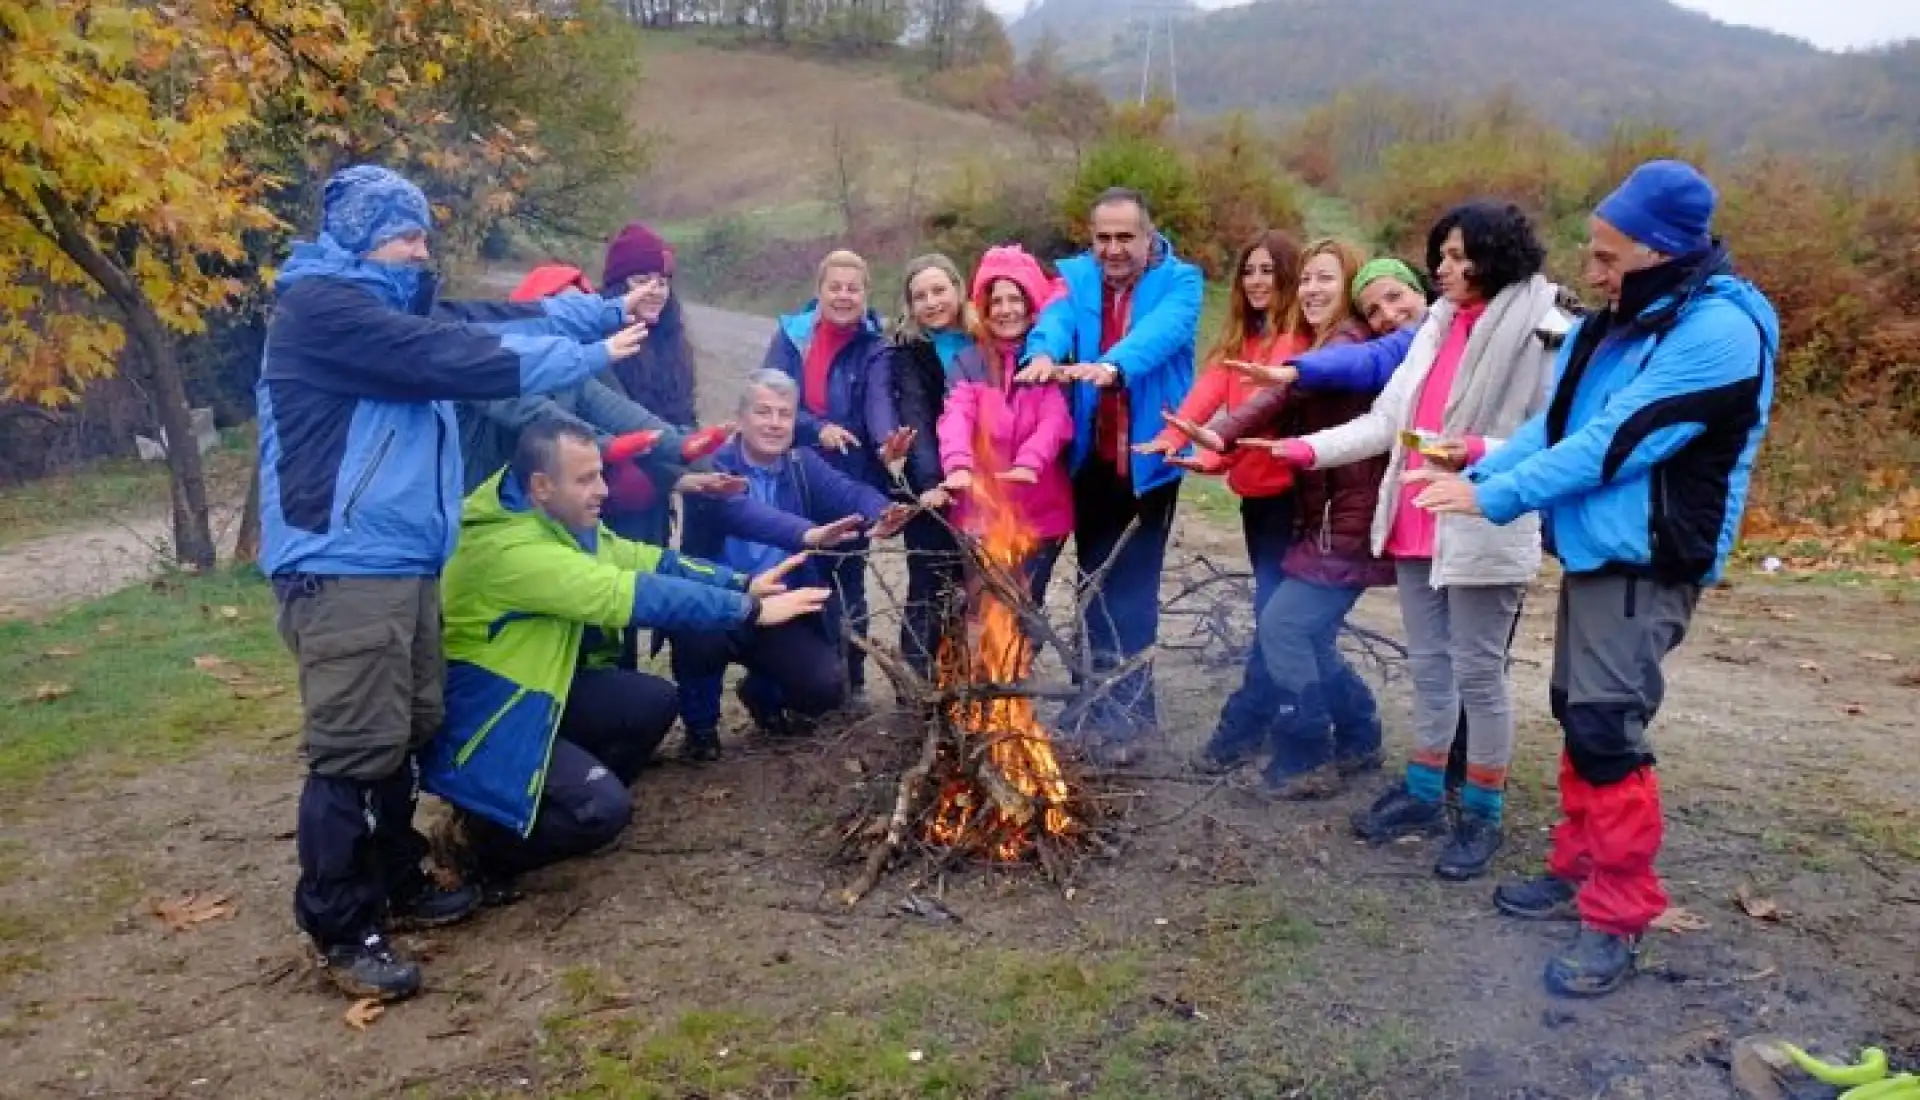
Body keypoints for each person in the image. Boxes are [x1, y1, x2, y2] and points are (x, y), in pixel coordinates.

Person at [257, 164, 651, 1001]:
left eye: (425, 234)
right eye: (407, 235)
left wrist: (608, 308)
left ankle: (394, 876)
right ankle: (340, 923)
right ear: (363, 239)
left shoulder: (387, 306)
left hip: (402, 562)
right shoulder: (324, 311)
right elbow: (454, 353)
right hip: (342, 562)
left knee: (409, 725)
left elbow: (496, 316)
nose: (422, 248)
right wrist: (587, 353)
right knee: (355, 747)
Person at [1410, 160, 1778, 996]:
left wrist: (1491, 496)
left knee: (1609, 732)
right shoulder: (1615, 321)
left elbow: (1617, 441)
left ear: (1663, 250)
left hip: (1651, 559)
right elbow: (1550, 426)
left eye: (1611, 257)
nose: (1595, 270)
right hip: (1595, 553)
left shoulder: (1719, 333)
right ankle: (1577, 868)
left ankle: (1617, 915)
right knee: (1577, 714)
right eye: (1594, 252)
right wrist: (1480, 472)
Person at [1248, 203, 1570, 880]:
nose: (1444, 270)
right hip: (1417, 517)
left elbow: (1561, 435)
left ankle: (1480, 812)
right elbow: (1387, 421)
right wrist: (1298, 451)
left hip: (1484, 518)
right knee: (1429, 664)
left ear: (1497, 253)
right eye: (1441, 257)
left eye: (1458, 257)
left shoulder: (1548, 324)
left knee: (1479, 674)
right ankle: (1424, 793)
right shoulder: (1437, 327)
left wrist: (1478, 448)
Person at [424, 419, 831, 899]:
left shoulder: (555, 519)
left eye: (600, 474)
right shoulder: (510, 550)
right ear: (541, 485)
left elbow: (644, 560)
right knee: (603, 812)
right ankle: (478, 846)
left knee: (654, 702)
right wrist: (749, 611)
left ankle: (548, 801)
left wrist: (740, 584)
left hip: (540, 689)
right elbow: (629, 594)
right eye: (585, 480)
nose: (601, 490)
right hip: (494, 714)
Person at [1165, 239, 1391, 798]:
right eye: (1308, 279)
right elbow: (1261, 405)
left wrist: (1220, 438)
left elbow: (1276, 400)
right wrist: (1214, 447)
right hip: (1318, 514)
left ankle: (1301, 746)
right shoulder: (1313, 344)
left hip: (1342, 518)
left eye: (1325, 280)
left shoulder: (1344, 346)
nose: (1312, 289)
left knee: (1283, 626)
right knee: (1300, 631)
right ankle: (1359, 734)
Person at [1015, 188, 1203, 761]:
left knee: (1135, 586)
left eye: (1126, 237)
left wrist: (1111, 366)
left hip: (1149, 460)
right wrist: (1042, 354)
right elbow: (1053, 319)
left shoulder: (1182, 282)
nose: (1114, 249)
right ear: (1091, 238)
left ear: (1149, 236)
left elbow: (1161, 336)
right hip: (1094, 461)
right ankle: (1091, 696)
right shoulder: (1077, 278)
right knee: (1093, 582)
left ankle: (1132, 711)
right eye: (1104, 237)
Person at [1135, 231, 1306, 772]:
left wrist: (1210, 453)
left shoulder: (1295, 346)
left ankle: (1246, 724)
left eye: (1268, 271)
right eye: (1249, 271)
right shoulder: (1241, 342)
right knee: (1285, 617)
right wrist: (1175, 437)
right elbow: (1209, 394)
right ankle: (1356, 724)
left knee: (1276, 618)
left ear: (1290, 278)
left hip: (1293, 500)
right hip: (1257, 501)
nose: (1257, 281)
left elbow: (1259, 415)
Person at [674, 371, 912, 760]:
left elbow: (850, 492)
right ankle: (700, 729)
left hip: (778, 603)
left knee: (825, 687)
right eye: (762, 411)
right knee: (695, 635)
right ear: (740, 417)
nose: (773, 423)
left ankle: (762, 693)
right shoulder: (711, 468)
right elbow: (743, 515)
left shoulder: (803, 465)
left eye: (784, 414)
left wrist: (882, 512)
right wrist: (810, 535)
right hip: (718, 596)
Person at [456, 264, 731, 495]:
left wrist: (682, 446)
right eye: (563, 308)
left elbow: (621, 413)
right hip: (472, 500)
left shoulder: (572, 373)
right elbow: (535, 414)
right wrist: (604, 445)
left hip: (532, 502)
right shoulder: (493, 359)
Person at [760, 250, 892, 706]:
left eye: (853, 288)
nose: (843, 295)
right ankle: (789, 684)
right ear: (819, 291)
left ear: (865, 293)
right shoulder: (791, 338)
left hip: (851, 478)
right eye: (834, 287)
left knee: (850, 582)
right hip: (790, 477)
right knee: (794, 575)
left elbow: (879, 406)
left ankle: (850, 682)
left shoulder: (876, 345)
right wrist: (817, 428)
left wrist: (887, 442)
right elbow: (770, 403)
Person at [937, 244, 1075, 605]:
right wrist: (958, 465)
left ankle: (1021, 663)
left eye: (1015, 299)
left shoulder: (1049, 361)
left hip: (1041, 510)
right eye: (996, 301)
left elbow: (1055, 420)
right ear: (984, 307)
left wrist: (1029, 462)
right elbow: (956, 416)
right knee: (984, 604)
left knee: (1027, 608)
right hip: (981, 509)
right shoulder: (968, 362)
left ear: (1031, 307)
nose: (1005, 309)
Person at [870, 254, 976, 679]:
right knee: (929, 585)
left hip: (981, 483)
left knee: (974, 586)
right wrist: (934, 482)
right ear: (909, 306)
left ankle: (965, 683)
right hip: (930, 483)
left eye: (939, 291)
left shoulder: (982, 339)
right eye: (920, 296)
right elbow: (915, 418)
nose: (931, 303)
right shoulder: (909, 352)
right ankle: (914, 685)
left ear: (958, 288)